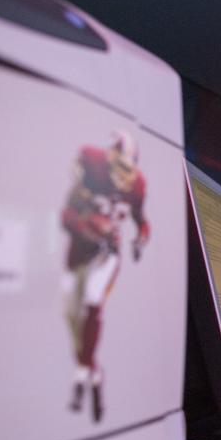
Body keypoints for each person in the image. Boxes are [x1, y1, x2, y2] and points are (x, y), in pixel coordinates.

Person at [61, 131, 150, 423]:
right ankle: (93, 372)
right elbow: (67, 212)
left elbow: (142, 221)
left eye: (130, 168)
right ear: (109, 158)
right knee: (71, 318)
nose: (124, 176)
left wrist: (140, 240)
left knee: (92, 302)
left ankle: (84, 374)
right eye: (120, 166)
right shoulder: (91, 163)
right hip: (80, 248)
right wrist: (86, 222)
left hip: (107, 252)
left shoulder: (137, 186)